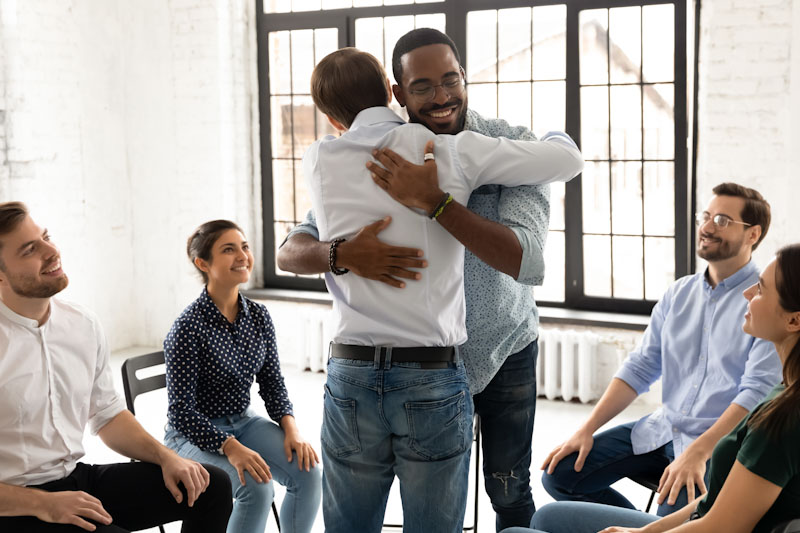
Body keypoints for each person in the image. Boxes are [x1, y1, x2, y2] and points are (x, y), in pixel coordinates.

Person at [278, 28, 555, 531]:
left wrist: (437, 203)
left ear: (465, 77)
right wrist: (339, 252)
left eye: (450, 80)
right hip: (422, 366)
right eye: (423, 86)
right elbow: (293, 250)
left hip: (501, 348)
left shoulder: (502, 145)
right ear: (396, 91)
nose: (441, 95)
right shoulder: (369, 156)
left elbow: (527, 259)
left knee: (508, 489)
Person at [502, 242, 800, 533]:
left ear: (793, 320)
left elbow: (721, 525)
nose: (748, 293)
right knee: (548, 511)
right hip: (668, 438)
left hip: (706, 506)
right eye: (706, 216)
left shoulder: (778, 422)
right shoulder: (783, 392)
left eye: (761, 289)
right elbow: (710, 506)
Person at [541, 183, 782, 516]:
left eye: (723, 220)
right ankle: (633, 527)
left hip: (716, 445)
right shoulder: (678, 294)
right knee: (560, 474)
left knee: (674, 519)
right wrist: (586, 430)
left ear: (753, 234)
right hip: (662, 428)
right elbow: (641, 366)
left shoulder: (766, 303)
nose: (708, 227)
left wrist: (698, 452)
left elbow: (755, 393)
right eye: (707, 216)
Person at [0, 201, 233, 533]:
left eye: (46, 237)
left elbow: (107, 414)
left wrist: (166, 456)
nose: (52, 251)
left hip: (75, 480)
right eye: (29, 250)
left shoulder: (81, 323)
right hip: (15, 506)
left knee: (210, 485)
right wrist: (44, 504)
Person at [163, 219, 322, 533]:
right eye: (228, 249)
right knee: (256, 486)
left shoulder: (258, 316)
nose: (242, 256)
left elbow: (272, 382)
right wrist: (231, 447)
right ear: (203, 263)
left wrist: (291, 429)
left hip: (243, 421)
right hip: (192, 435)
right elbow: (181, 413)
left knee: (309, 471)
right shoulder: (187, 329)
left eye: (244, 247)